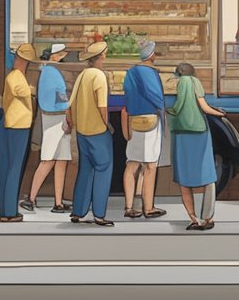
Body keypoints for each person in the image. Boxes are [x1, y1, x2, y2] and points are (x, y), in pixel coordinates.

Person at [167, 62, 226, 231]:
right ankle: (205, 217)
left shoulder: (179, 84)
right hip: (199, 133)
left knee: (184, 177)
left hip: (180, 133)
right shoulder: (194, 82)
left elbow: (176, 107)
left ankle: (193, 218)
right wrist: (219, 112)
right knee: (203, 174)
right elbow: (204, 107)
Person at [68, 41, 115, 227]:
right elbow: (102, 107)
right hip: (97, 131)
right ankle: (99, 214)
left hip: (82, 132)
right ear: (102, 56)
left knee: (85, 170)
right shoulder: (99, 76)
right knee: (103, 170)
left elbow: (70, 104)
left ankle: (78, 211)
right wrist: (108, 126)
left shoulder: (82, 75)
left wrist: (72, 123)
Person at [23, 43, 72, 213]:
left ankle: (57, 202)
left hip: (52, 118)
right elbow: (60, 96)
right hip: (56, 119)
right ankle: (31, 198)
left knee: (59, 160)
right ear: (55, 55)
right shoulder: (53, 72)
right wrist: (68, 113)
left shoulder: (45, 71)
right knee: (51, 160)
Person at [121, 40, 167, 219]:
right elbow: (156, 96)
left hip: (134, 120)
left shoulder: (130, 72)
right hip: (150, 120)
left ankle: (129, 207)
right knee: (150, 166)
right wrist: (164, 107)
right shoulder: (150, 72)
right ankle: (148, 207)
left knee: (132, 164)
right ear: (151, 54)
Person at [0, 43, 36, 222]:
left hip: (10, 124)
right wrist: (32, 90)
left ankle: (6, 210)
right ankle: (10, 211)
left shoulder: (13, 75)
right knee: (14, 168)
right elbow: (21, 91)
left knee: (7, 168)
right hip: (18, 126)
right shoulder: (16, 76)